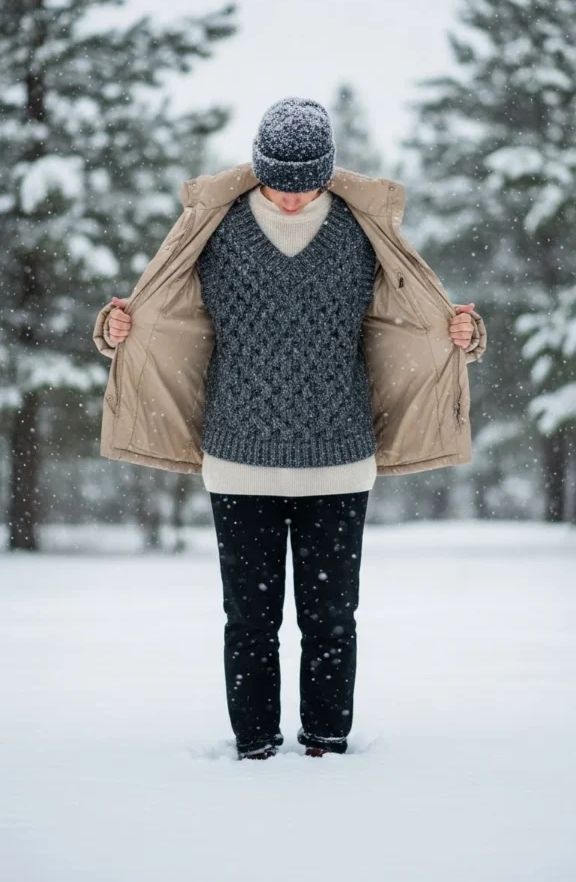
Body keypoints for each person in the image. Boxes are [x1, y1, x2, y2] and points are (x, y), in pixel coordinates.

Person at [93, 97, 487, 761]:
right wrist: (114, 329)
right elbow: (162, 318)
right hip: (237, 458)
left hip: (339, 459)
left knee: (331, 620)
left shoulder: (361, 230)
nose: (293, 198)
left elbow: (411, 323)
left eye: (306, 185)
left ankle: (327, 744)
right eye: (280, 183)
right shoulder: (214, 226)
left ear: (327, 173)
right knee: (249, 621)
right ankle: (255, 746)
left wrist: (465, 335)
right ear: (259, 168)